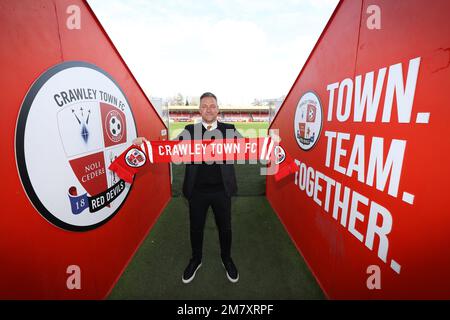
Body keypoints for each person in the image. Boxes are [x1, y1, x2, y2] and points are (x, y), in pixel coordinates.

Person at [133, 92, 242, 284]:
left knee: (225, 228)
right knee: (196, 228)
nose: (208, 109)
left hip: (222, 191)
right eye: (204, 106)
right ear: (199, 110)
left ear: (218, 109)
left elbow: (250, 147)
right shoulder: (189, 130)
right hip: (197, 191)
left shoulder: (230, 129)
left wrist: (271, 143)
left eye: (212, 105)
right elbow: (167, 148)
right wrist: (145, 145)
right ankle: (196, 259)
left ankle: (227, 258)